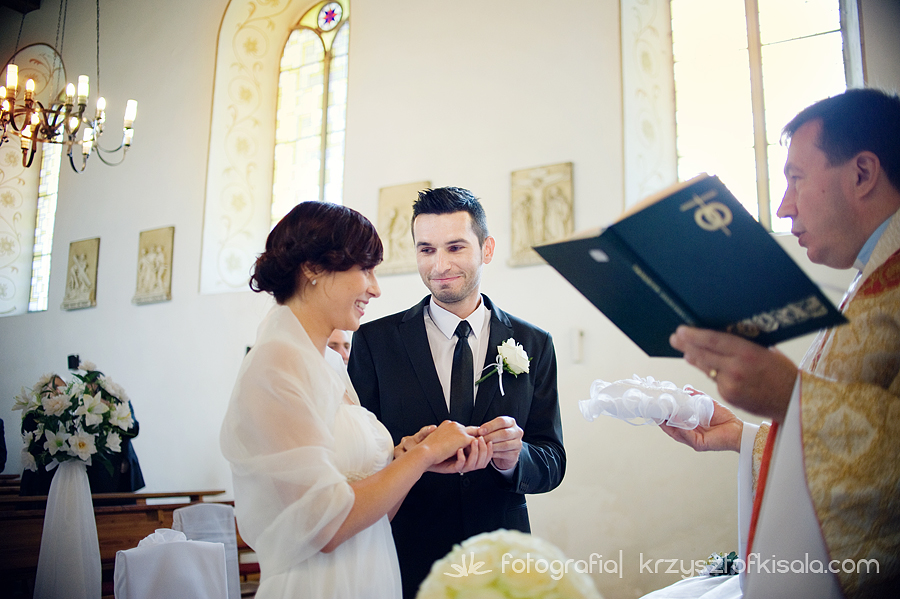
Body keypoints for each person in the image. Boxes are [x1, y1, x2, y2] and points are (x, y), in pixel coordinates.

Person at [653, 89, 900, 598]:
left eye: (795, 179)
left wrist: (792, 395)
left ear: (862, 174)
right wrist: (739, 433)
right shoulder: (872, 279)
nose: (784, 207)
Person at [219, 201, 489, 599]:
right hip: (320, 585)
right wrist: (425, 454)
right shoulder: (276, 363)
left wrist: (403, 458)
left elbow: (373, 512)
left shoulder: (328, 363)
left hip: (370, 573)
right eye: (364, 269)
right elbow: (324, 525)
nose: (375, 288)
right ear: (312, 268)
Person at [348, 187, 566, 598]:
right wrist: (411, 455)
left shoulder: (534, 344)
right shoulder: (376, 342)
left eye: (455, 247)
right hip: (407, 553)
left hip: (503, 559)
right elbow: (361, 456)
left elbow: (553, 461)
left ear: (487, 249)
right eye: (426, 249)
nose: (440, 265)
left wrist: (513, 458)